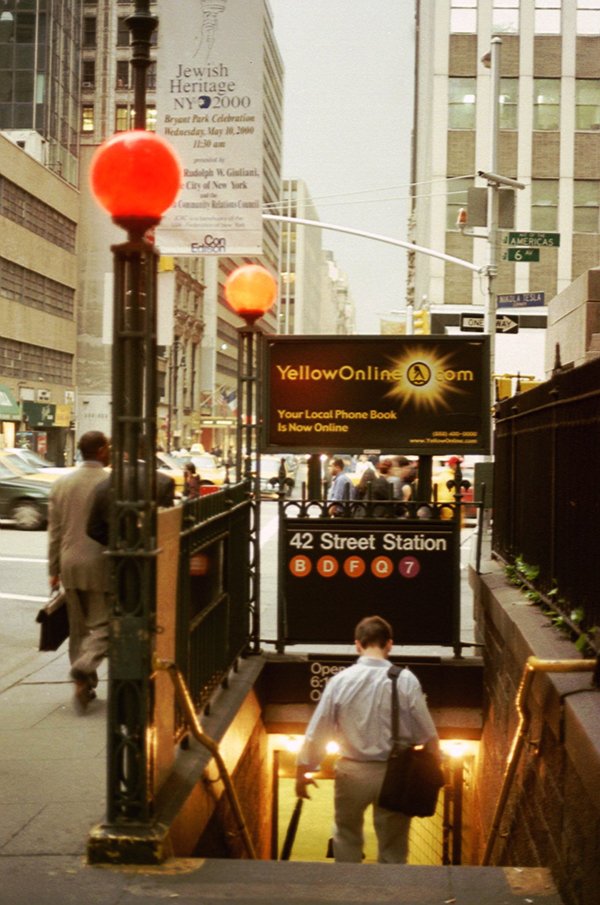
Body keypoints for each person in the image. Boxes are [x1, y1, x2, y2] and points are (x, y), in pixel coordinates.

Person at [296, 615, 440, 864]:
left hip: (351, 770)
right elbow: (426, 734)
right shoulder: (406, 680)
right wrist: (436, 763)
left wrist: (305, 767)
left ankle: (349, 883)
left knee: (346, 834)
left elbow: (319, 731)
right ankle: (389, 886)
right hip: (395, 773)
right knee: (393, 845)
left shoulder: (340, 681)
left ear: (357, 645)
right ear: (389, 644)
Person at [47, 431, 111, 712]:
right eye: (108, 447)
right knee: (105, 624)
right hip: (100, 563)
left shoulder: (62, 483)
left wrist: (54, 568)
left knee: (78, 629)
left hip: (69, 562)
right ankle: (85, 666)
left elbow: (55, 530)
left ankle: (82, 684)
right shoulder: (110, 483)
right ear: (100, 451)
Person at [86, 440, 175, 547]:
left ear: (124, 454)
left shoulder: (105, 485)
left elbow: (93, 529)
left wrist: (119, 545)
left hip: (119, 553)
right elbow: (168, 525)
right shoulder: (164, 481)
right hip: (151, 551)